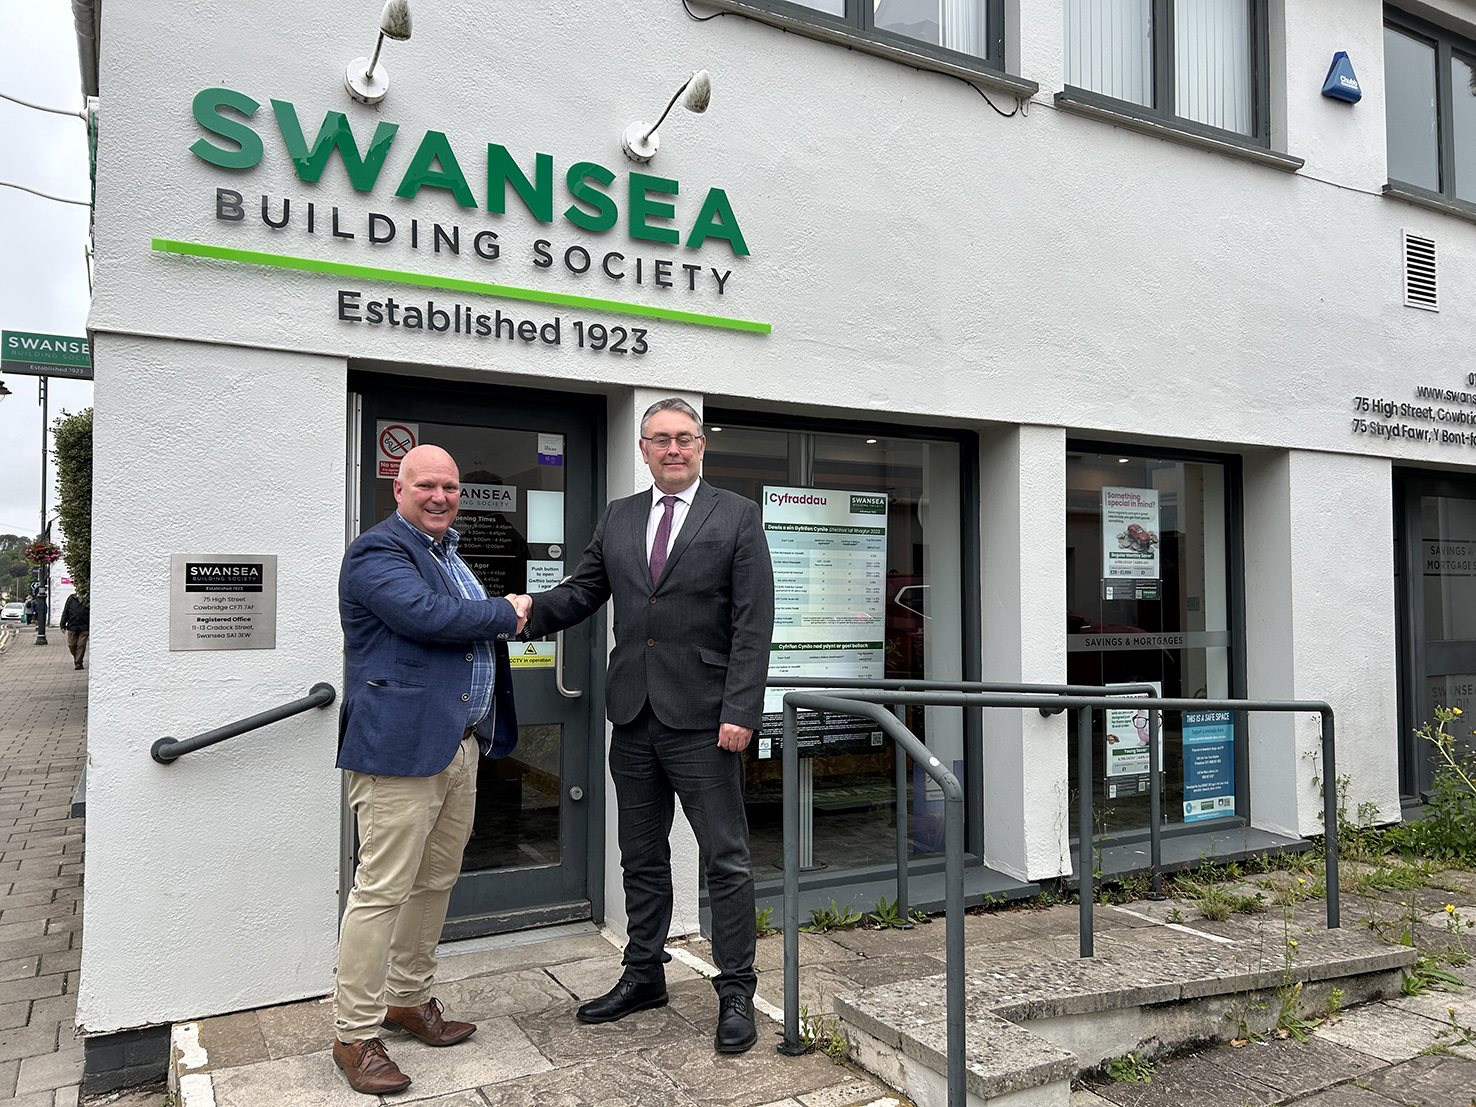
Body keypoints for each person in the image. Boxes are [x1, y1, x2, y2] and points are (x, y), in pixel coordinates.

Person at [523, 398, 774, 1054]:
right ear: (643, 449)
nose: (673, 448)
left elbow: (753, 622)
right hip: (632, 714)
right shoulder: (620, 517)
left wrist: (740, 711)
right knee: (640, 852)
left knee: (726, 857)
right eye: (660, 439)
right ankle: (643, 973)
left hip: (706, 721)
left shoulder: (738, 516)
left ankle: (737, 985)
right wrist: (522, 611)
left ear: (700, 447)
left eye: (684, 439)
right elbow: (581, 592)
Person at [333, 444, 533, 1095]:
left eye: (450, 486)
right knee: (383, 888)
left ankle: (408, 1000)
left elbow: (457, 630)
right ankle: (353, 1032)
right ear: (399, 487)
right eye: (427, 485)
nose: (442, 495)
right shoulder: (377, 552)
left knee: (435, 880)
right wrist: (509, 610)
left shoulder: (447, 553)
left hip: (457, 743)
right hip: (398, 747)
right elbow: (428, 617)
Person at [59, 592, 89, 669]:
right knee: (71, 645)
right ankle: (77, 658)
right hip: (72, 626)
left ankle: (78, 662)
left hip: (84, 626)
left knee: (81, 645)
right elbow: (65, 611)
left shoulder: (88, 598)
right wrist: (62, 624)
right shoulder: (71, 598)